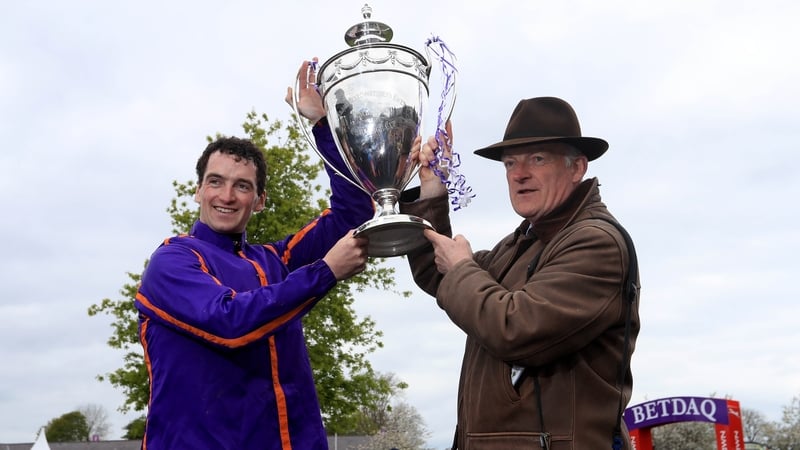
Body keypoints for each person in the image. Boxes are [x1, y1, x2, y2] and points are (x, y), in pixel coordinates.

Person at [134, 60, 373, 449]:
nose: (226, 196)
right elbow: (229, 322)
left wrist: (320, 124)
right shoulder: (172, 260)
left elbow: (354, 212)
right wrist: (325, 272)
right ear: (198, 191)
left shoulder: (273, 261)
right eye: (216, 182)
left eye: (242, 186)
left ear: (259, 200)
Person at [401, 97, 641, 449]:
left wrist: (463, 266)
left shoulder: (596, 242)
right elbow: (442, 278)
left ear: (577, 168)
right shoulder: (519, 245)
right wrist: (432, 191)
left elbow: (514, 329)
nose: (519, 173)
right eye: (510, 162)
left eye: (538, 159)